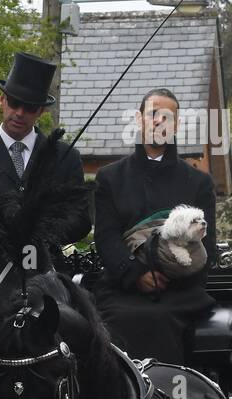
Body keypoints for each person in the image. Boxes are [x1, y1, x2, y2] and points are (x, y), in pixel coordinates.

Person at [0, 51, 91, 389]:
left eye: (29, 107)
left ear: (40, 111)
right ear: (1, 100)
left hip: (44, 273)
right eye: (14, 103)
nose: (19, 113)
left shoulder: (63, 157)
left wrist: (41, 233)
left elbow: (80, 216)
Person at [92, 88, 217, 365]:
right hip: (122, 289)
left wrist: (170, 273)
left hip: (179, 293)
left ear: (177, 125)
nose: (159, 122)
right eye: (153, 115)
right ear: (139, 120)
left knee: (158, 319)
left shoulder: (199, 183)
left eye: (167, 117)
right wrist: (136, 274)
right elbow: (106, 237)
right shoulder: (109, 178)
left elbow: (207, 246)